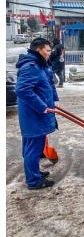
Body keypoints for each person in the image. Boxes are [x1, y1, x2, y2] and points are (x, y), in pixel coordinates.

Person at [15, 38, 59, 190]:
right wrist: (42, 107)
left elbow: (47, 84)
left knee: (32, 147)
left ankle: (34, 173)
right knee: (33, 148)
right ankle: (34, 181)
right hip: (34, 116)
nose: (49, 54)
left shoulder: (38, 65)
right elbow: (22, 90)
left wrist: (54, 100)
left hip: (33, 115)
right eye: (47, 51)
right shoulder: (31, 66)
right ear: (38, 50)